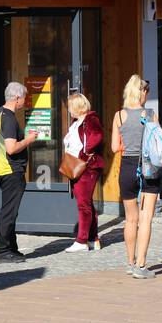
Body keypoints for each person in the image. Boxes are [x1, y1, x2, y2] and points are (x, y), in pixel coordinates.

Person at [112, 75, 159, 279]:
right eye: (147, 92)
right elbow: (157, 143)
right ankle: (141, 265)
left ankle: (130, 262)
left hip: (127, 167)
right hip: (148, 167)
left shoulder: (119, 116)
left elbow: (115, 147)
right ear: (142, 92)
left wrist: (128, 144)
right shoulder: (150, 115)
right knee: (146, 217)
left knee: (130, 219)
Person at [0, 82, 38, 264]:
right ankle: (3, 251)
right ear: (17, 98)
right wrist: (29, 139)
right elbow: (11, 148)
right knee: (9, 212)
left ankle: (11, 248)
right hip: (11, 170)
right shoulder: (9, 118)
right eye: (24, 98)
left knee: (10, 211)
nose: (24, 102)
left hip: (2, 169)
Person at [63, 92, 105, 253]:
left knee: (83, 205)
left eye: (71, 107)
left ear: (78, 107)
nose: (69, 110)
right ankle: (93, 238)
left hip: (87, 167)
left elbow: (97, 137)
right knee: (86, 203)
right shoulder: (76, 122)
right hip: (76, 165)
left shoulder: (90, 119)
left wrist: (84, 154)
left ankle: (81, 241)